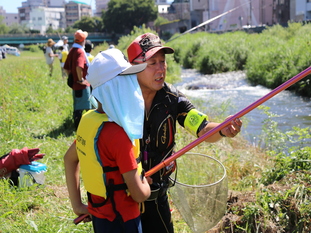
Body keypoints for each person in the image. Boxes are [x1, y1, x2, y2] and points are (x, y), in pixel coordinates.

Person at [126, 32, 243, 233]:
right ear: (134, 67)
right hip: (123, 196)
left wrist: (222, 129)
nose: (161, 68)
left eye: (163, 61)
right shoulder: (119, 99)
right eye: (152, 62)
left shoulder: (173, 99)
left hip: (157, 196)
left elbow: (203, 129)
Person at [64, 48, 150, 233]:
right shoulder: (119, 136)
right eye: (128, 81)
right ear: (117, 89)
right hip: (125, 220)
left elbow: (69, 159)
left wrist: (78, 205)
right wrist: (146, 187)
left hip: (100, 216)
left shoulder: (88, 121)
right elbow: (138, 194)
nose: (133, 84)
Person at [64, 30, 92, 129]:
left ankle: (77, 127)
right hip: (82, 85)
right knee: (87, 108)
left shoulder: (72, 50)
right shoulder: (80, 51)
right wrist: (80, 79)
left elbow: (66, 67)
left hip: (75, 85)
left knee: (77, 107)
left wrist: (71, 76)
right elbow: (79, 66)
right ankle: (85, 128)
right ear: (83, 40)